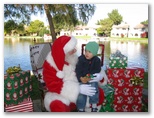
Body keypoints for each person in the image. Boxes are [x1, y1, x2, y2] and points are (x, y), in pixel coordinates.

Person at [42, 35, 105, 112]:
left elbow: (89, 69)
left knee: (99, 93)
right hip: (60, 93)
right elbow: (53, 85)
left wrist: (100, 76)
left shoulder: (74, 58)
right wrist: (78, 89)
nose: (75, 51)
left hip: (80, 85)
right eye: (72, 49)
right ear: (64, 51)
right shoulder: (50, 63)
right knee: (58, 106)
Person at [75, 41, 102, 112]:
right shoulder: (80, 59)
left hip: (91, 78)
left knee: (94, 87)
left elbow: (97, 70)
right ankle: (80, 108)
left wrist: (90, 77)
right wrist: (81, 78)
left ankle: (94, 105)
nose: (87, 53)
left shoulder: (97, 60)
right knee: (81, 93)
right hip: (81, 79)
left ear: (94, 53)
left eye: (89, 52)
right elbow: (78, 70)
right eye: (86, 51)